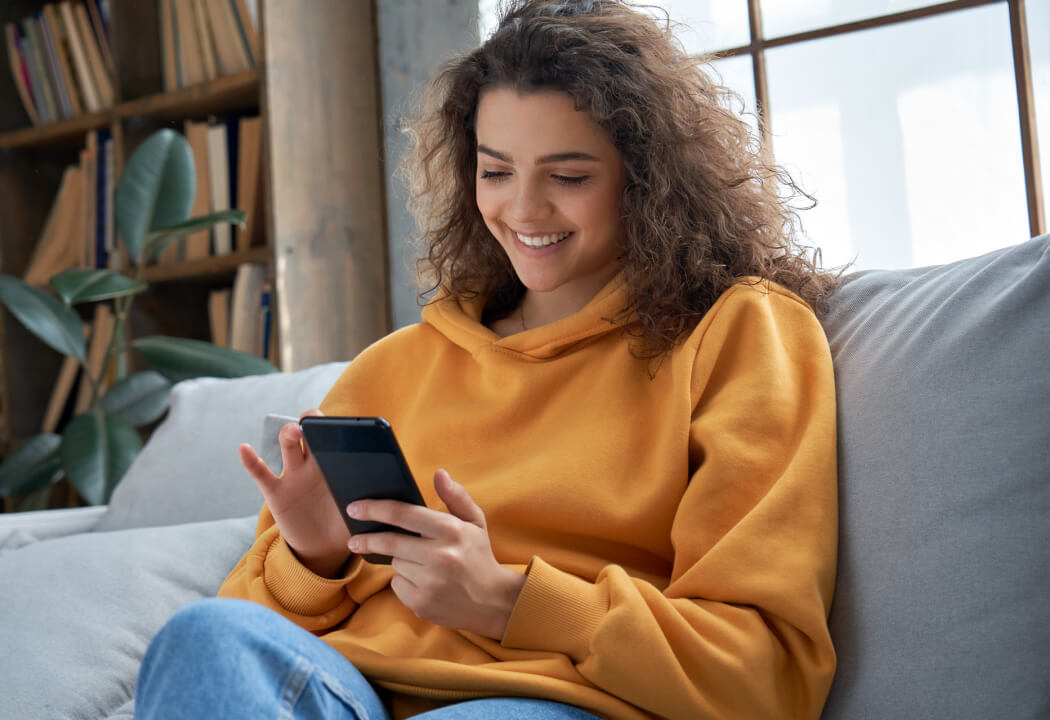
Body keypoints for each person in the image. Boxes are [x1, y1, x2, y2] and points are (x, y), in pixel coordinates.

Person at [134, 1, 839, 718]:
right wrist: (313, 557)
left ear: (647, 178)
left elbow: (764, 675)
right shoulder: (392, 367)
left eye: (568, 177)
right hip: (350, 690)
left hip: (553, 697)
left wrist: (506, 599)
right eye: (496, 171)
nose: (524, 210)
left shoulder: (738, 333)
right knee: (206, 637)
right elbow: (242, 655)